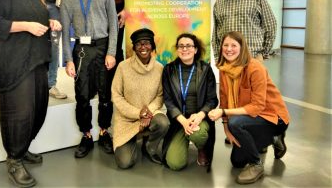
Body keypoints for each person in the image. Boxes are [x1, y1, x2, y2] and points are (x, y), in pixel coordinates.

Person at [0, 0, 61, 188]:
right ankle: (14, 160)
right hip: (15, 63)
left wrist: (50, 21)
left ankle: (23, 148)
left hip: (38, 60)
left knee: (38, 109)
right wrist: (26, 25)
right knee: (19, 114)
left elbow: (37, 16)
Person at [208, 31, 290, 185]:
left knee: (236, 123)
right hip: (250, 119)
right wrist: (226, 129)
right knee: (237, 162)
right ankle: (271, 140)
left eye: (234, 45)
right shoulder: (224, 68)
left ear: (242, 47)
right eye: (225, 45)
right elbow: (224, 99)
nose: (229, 49)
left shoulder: (255, 67)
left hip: (273, 118)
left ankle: (256, 164)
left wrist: (224, 113)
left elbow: (257, 106)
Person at [60, 0, 118, 158]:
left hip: (102, 49)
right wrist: (68, 59)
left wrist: (111, 53)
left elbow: (113, 27)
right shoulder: (67, 0)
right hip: (81, 51)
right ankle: (86, 135)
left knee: (105, 94)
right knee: (82, 96)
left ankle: (103, 132)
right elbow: (65, 34)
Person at [112, 28, 169, 169]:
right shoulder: (123, 67)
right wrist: (139, 113)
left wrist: (147, 112)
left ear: (152, 46)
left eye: (146, 43)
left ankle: (149, 147)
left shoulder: (159, 68)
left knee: (163, 123)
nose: (143, 47)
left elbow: (160, 95)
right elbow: (116, 95)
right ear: (134, 48)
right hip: (127, 118)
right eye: (139, 44)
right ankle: (132, 138)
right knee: (125, 163)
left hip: (150, 114)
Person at [162, 33, 218, 171]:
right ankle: (184, 137)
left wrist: (199, 116)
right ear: (177, 49)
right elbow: (168, 100)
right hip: (179, 120)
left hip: (199, 118)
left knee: (198, 134)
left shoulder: (205, 69)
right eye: (181, 46)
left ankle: (201, 147)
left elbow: (212, 99)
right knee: (175, 164)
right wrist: (183, 121)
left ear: (196, 49)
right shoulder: (169, 70)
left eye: (188, 46)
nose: (184, 49)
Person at [212, 0, 277, 62]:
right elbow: (216, 34)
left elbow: (270, 25)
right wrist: (217, 57)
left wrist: (263, 53)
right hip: (227, 60)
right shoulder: (218, 3)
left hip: (252, 58)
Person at [91, 0, 125, 106]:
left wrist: (126, 10)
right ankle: (96, 86)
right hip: (94, 10)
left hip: (118, 10)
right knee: (97, 49)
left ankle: (113, 86)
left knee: (115, 49)